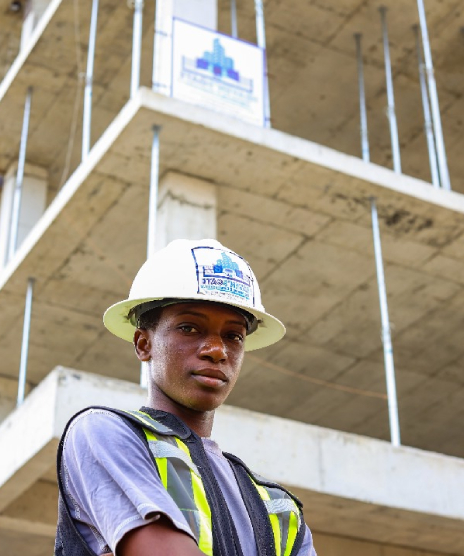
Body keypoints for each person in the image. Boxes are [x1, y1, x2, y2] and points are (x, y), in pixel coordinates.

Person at [54, 238, 317, 556]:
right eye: (190, 328)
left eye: (233, 335)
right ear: (143, 344)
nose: (217, 350)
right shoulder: (103, 434)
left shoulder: (280, 508)